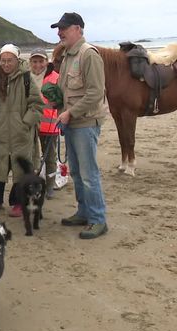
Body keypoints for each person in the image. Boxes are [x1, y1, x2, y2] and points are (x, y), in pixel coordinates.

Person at [50, 12, 108, 239]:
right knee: (75, 171)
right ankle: (84, 212)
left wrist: (70, 112)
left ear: (78, 29)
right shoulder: (67, 56)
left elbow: (95, 93)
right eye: (58, 28)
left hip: (85, 123)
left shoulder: (88, 55)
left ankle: (98, 220)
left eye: (63, 28)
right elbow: (68, 91)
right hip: (71, 123)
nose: (59, 32)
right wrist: (58, 102)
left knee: (88, 173)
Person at [0, 43, 44, 218]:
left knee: (21, 169)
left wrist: (25, 123)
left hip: (22, 134)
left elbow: (37, 105)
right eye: (3, 61)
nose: (6, 64)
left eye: (10, 61)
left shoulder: (26, 79)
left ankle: (18, 202)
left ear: (17, 60)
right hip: (1, 133)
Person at [29, 48, 60, 199]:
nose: (38, 65)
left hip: (50, 125)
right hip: (30, 125)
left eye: (41, 61)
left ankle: (50, 186)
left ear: (47, 62)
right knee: (32, 157)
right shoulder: (26, 77)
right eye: (34, 61)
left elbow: (61, 101)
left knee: (50, 158)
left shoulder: (56, 77)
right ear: (30, 63)